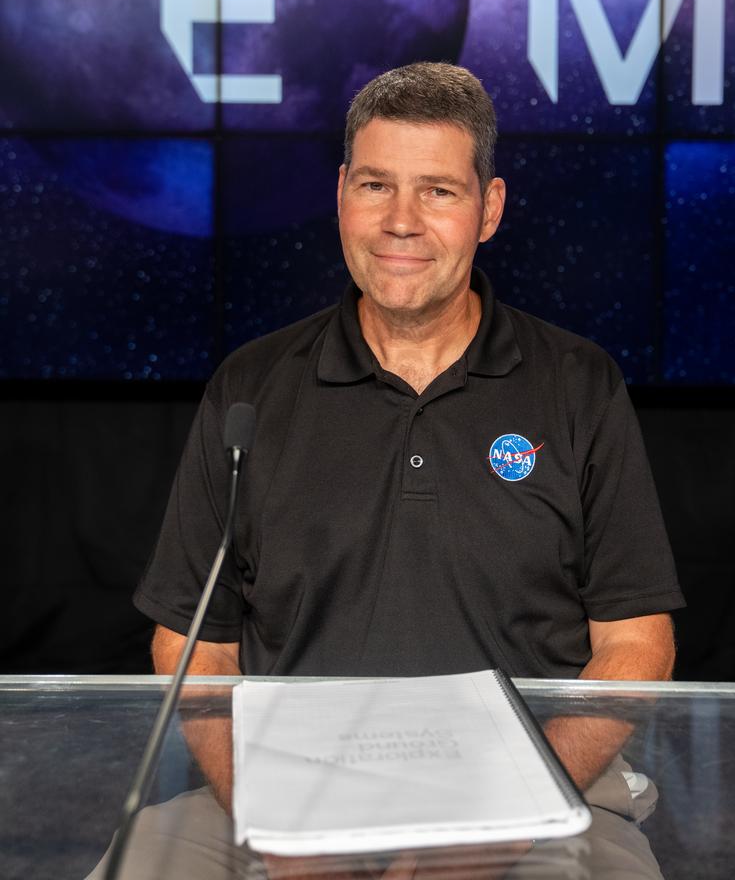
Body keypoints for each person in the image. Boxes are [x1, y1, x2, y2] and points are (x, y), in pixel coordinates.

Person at [105, 62, 684, 880]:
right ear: (342, 193)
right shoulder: (251, 387)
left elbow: (634, 645)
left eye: (438, 191)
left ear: (488, 209)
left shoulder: (577, 383)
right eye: (375, 185)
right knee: (143, 864)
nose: (400, 222)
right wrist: (276, 827)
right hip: (289, 792)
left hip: (539, 792)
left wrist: (506, 822)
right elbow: (191, 645)